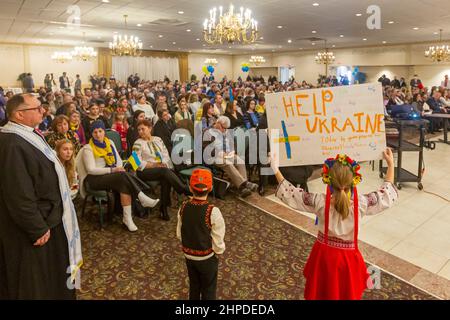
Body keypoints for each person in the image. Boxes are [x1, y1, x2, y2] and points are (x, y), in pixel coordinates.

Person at [270, 149, 398, 300]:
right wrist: (390, 165)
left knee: (322, 292)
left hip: (324, 258)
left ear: (328, 180)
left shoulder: (319, 202)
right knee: (345, 293)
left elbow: (292, 194)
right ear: (353, 181)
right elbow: (385, 194)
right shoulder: (361, 204)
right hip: (348, 261)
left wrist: (275, 169)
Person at [0, 93, 82, 299]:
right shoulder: (12, 144)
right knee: (35, 281)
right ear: (19, 114)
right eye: (36, 108)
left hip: (51, 216)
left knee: (52, 274)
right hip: (36, 226)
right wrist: (36, 227)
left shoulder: (29, 134)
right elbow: (17, 191)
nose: (43, 111)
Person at [76, 121, 160, 232]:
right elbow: (91, 170)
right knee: (123, 177)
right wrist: (113, 169)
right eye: (95, 132)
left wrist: (118, 168)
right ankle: (141, 197)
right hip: (94, 179)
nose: (98, 134)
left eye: (100, 131)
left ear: (104, 131)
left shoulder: (109, 142)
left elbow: (119, 160)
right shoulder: (88, 148)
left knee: (123, 181)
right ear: (91, 134)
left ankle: (127, 218)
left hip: (112, 175)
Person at [176, 169, 225, 300]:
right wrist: (218, 251)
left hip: (189, 256)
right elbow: (218, 238)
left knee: (194, 285)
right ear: (211, 188)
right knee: (209, 289)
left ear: (190, 188)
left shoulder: (183, 207)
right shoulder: (213, 211)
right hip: (207, 258)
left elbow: (179, 234)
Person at [133, 120, 190, 220]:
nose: (140, 131)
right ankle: (183, 189)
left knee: (165, 177)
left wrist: (163, 163)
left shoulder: (158, 139)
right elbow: (136, 163)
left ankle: (163, 209)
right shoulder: (137, 143)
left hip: (160, 170)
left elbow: (165, 155)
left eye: (143, 129)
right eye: (139, 130)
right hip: (144, 171)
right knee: (165, 172)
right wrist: (154, 165)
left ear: (150, 128)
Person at [206, 116, 257, 197]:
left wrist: (232, 152)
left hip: (227, 154)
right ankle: (243, 185)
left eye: (226, 128)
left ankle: (243, 188)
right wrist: (221, 154)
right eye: (223, 128)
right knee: (228, 163)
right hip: (214, 157)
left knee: (240, 161)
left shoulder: (225, 131)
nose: (225, 130)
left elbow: (232, 144)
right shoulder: (208, 132)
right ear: (218, 123)